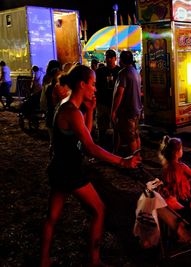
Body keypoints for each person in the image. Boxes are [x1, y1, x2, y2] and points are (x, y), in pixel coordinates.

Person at [39, 64, 141, 267]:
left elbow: (83, 135)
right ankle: (94, 260)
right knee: (99, 210)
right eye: (93, 84)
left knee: (52, 217)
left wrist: (91, 110)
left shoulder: (67, 105)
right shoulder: (71, 111)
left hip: (59, 168)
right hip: (70, 171)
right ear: (82, 84)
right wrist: (122, 161)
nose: (95, 89)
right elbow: (90, 147)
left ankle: (43, 260)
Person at [111, 50, 142, 156]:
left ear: (122, 60)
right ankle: (138, 157)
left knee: (130, 137)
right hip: (137, 109)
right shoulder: (135, 72)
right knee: (136, 134)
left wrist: (114, 111)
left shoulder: (123, 73)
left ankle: (134, 159)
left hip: (128, 110)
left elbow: (119, 93)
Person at [95, 49, 121, 151]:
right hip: (102, 103)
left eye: (111, 57)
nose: (109, 60)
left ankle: (115, 149)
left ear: (115, 59)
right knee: (102, 126)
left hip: (115, 103)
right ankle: (102, 147)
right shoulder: (100, 71)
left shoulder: (119, 71)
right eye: (107, 57)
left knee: (116, 127)